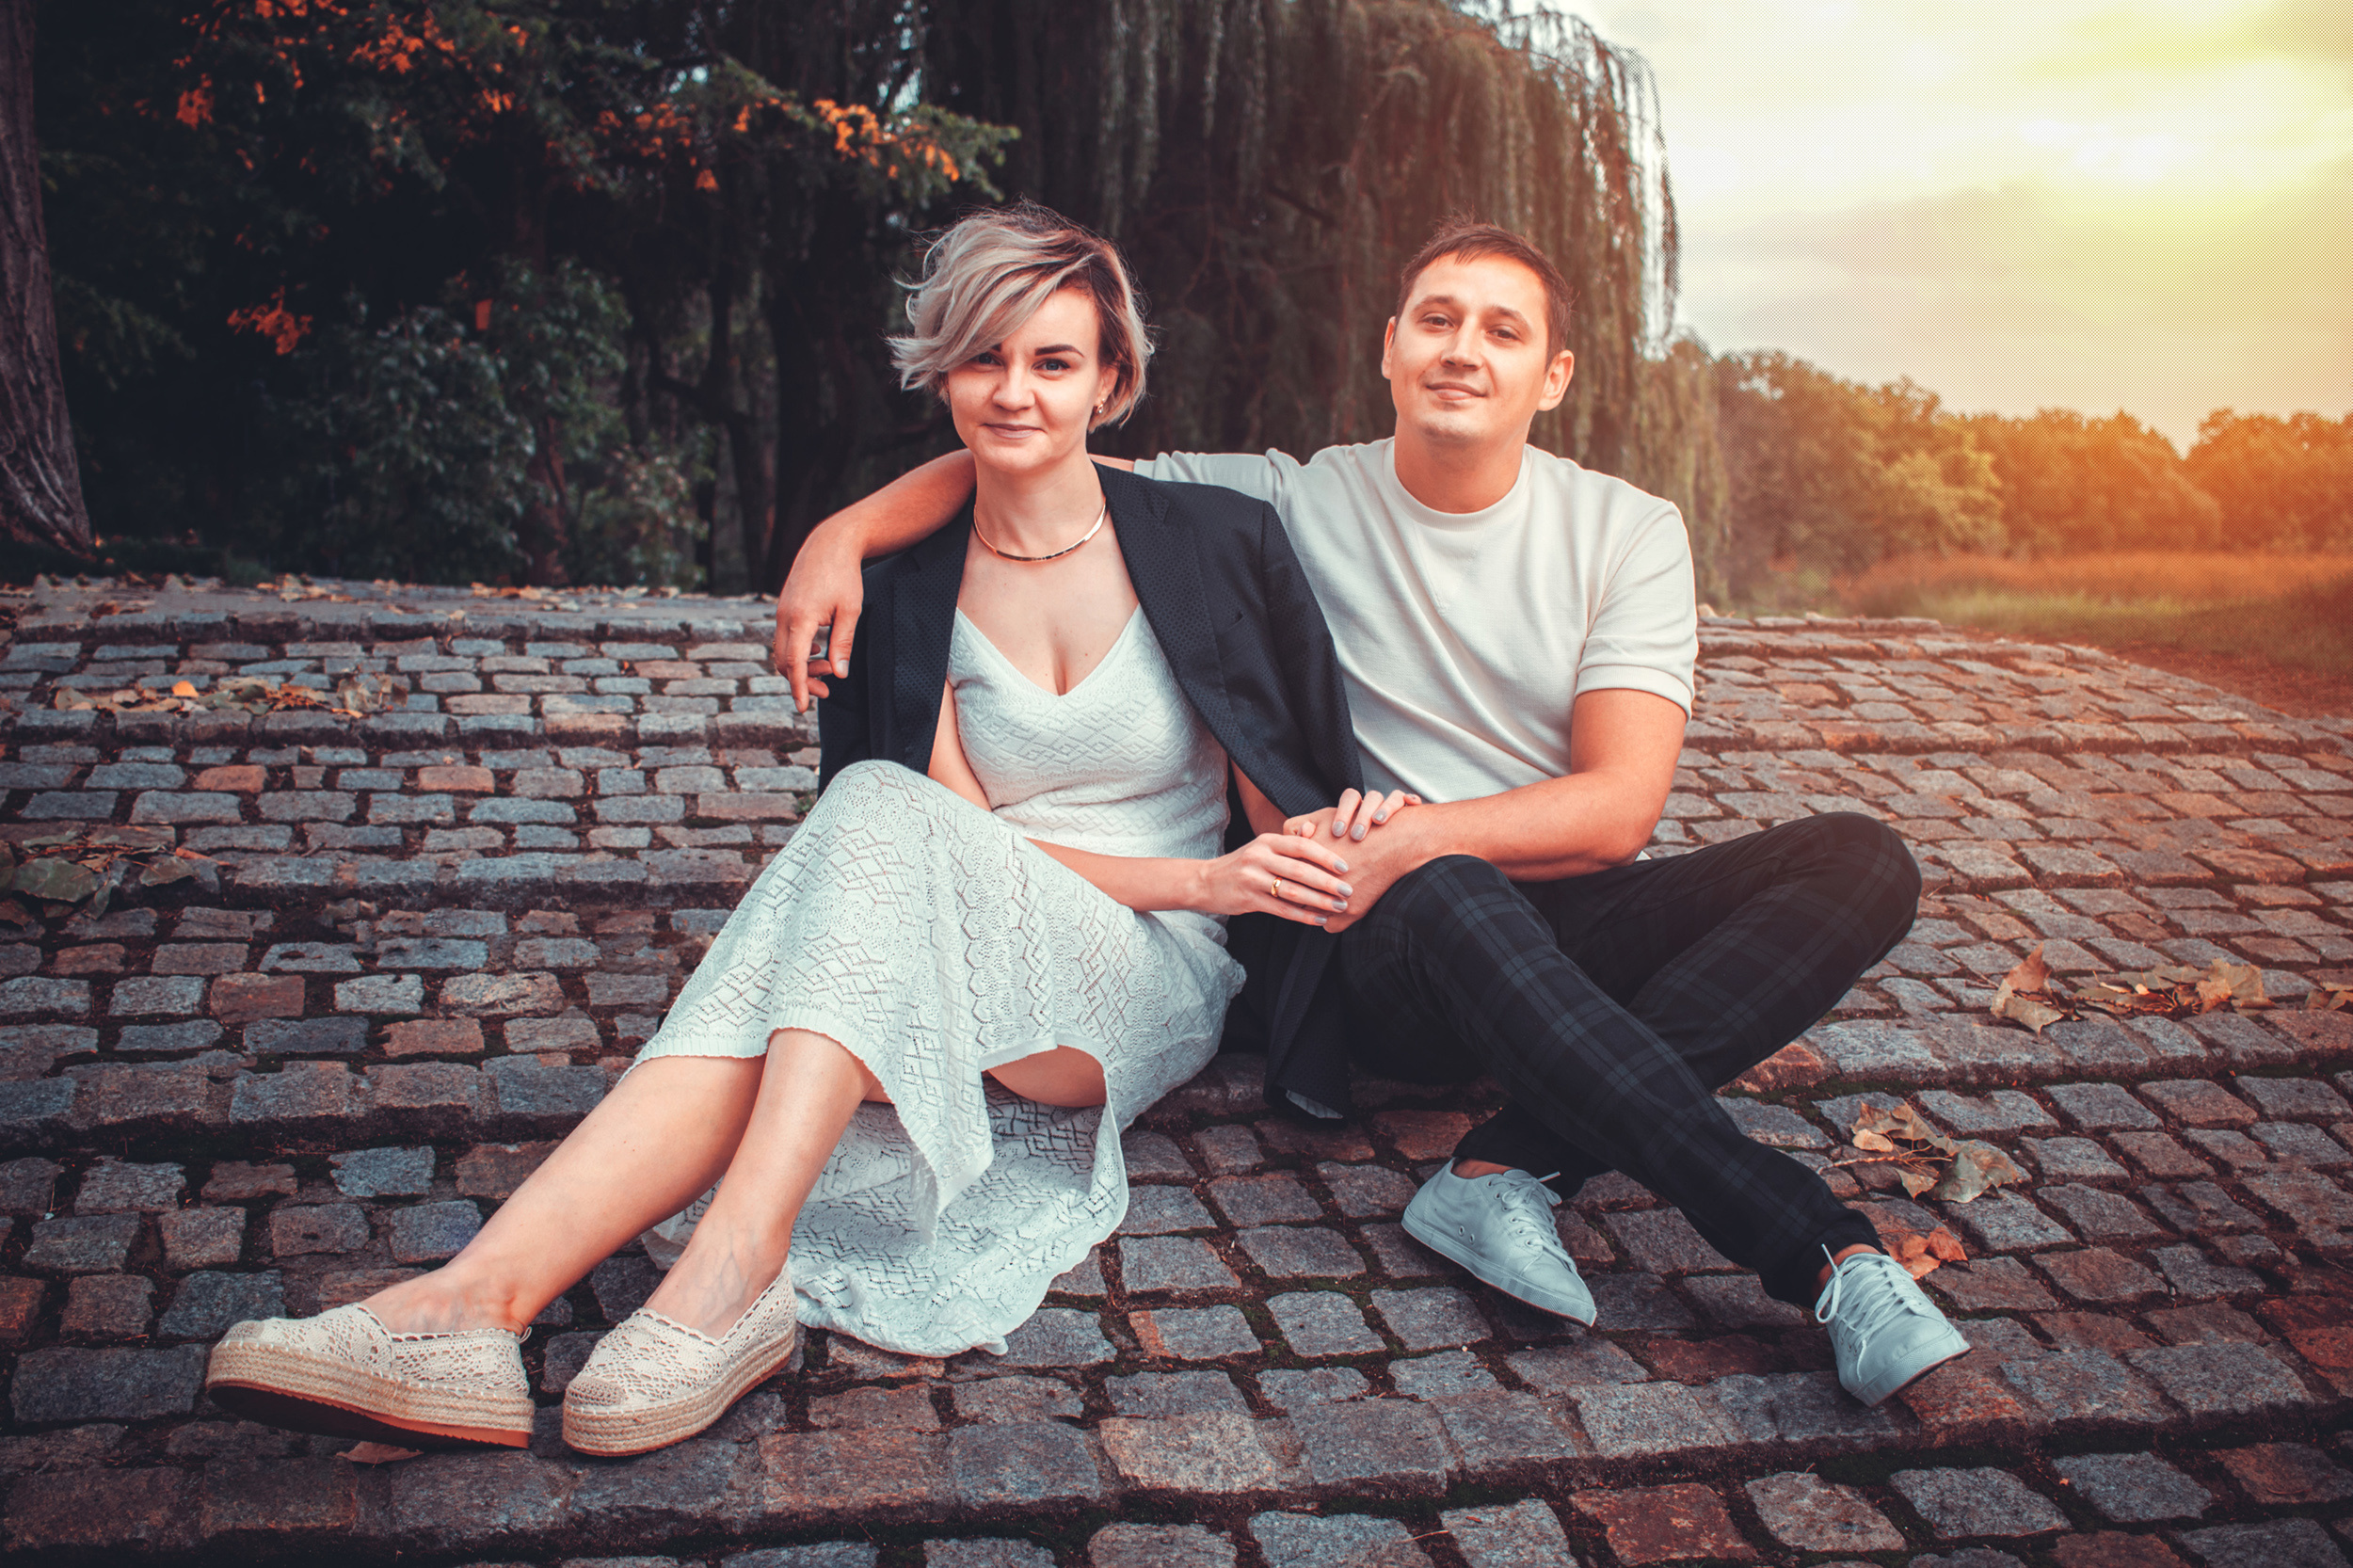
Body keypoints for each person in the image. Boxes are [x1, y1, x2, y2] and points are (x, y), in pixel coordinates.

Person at [202, 202, 1361, 1456]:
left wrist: (1214, 880)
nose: (1014, 392)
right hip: (967, 926)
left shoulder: (1220, 540)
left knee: (872, 816)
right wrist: (847, 532)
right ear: (946, 372)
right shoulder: (909, 590)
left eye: (1053, 361)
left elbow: (1286, 786)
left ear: (1111, 381)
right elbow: (956, 834)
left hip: (1148, 967)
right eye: (985, 358)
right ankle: (473, 1308)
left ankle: (718, 1275)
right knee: (876, 817)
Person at [774, 217, 1969, 1407]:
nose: (1463, 349)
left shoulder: (1628, 530)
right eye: (1437, 321)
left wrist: (1419, 830)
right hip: (1363, 935)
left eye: (1503, 331)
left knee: (1861, 861)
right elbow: (1035, 446)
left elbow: (1615, 812)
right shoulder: (1287, 497)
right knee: (1441, 885)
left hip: (1537, 902)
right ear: (1389, 349)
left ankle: (1512, 1159)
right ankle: (1822, 1254)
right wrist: (845, 534)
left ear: (1549, 376)